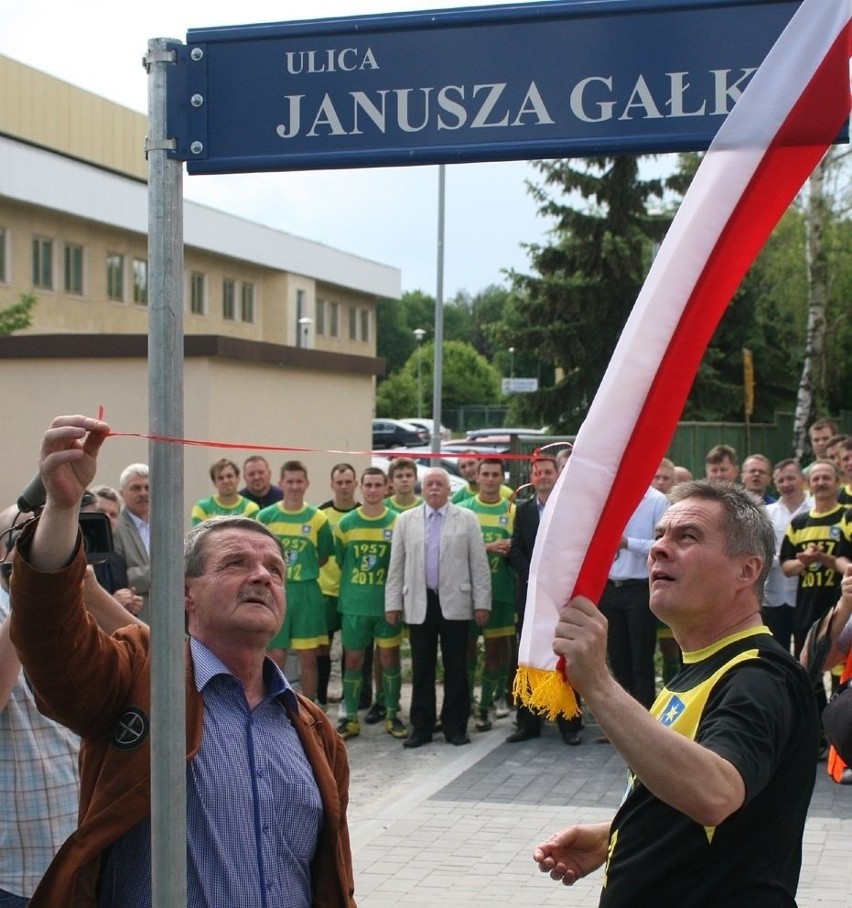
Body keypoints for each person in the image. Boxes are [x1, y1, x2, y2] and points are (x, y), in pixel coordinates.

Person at [8, 415, 355, 908]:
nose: (262, 576)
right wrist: (62, 508)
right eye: (236, 563)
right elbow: (49, 643)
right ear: (185, 594)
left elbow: (332, 879)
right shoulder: (139, 680)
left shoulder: (315, 729)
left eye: (274, 569)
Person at [534, 481, 819, 905]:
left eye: (687, 537)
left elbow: (716, 793)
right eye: (660, 534)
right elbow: (702, 801)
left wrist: (597, 682)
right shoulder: (702, 667)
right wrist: (620, 831)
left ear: (747, 570)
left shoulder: (759, 677)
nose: (658, 549)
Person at [385, 467, 491, 748]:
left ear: (449, 490)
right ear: (422, 488)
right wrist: (392, 602)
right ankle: (421, 727)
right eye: (429, 483)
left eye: (439, 484)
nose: (434, 488)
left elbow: (479, 565)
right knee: (422, 667)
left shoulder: (466, 519)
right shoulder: (405, 520)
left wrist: (482, 603)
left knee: (456, 667)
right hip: (419, 602)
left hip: (456, 603)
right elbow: (396, 566)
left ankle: (456, 726)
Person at [507, 456, 582, 745]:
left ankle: (569, 724)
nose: (543, 477)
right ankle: (528, 723)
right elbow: (515, 550)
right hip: (530, 596)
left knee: (564, 655)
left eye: (548, 471)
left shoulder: (570, 510)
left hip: (562, 596)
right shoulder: (523, 510)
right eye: (538, 472)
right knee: (527, 655)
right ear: (532, 476)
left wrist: (554, 581)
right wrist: (535, 578)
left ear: (557, 474)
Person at [335, 467, 407, 741]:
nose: (373, 490)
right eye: (369, 485)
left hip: (387, 606)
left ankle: (392, 714)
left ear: (386, 487)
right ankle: (351, 718)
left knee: (389, 658)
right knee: (353, 660)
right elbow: (343, 561)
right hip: (354, 605)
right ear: (360, 488)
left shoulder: (397, 521)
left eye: (378, 485)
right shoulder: (346, 524)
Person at [257, 460, 334, 701]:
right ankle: (273, 705)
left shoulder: (318, 518)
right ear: (280, 483)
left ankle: (308, 710)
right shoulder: (266, 515)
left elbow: (322, 556)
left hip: (307, 591)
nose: (294, 486)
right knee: (275, 654)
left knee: (308, 656)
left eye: (299, 481)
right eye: (289, 481)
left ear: (307, 484)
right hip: (276, 589)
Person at [598, 485, 668, 709]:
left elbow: (663, 544)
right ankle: (622, 720)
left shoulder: (657, 500)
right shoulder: (608, 495)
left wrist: (627, 543)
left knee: (641, 659)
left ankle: (647, 719)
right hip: (609, 587)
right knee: (617, 658)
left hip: (639, 587)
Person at [459, 458, 516, 731]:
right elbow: (455, 553)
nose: (491, 479)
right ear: (477, 477)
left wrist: (512, 550)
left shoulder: (513, 510)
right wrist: (490, 546)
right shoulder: (463, 509)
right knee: (468, 650)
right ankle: (467, 700)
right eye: (486, 474)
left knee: (496, 651)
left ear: (502, 478)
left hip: (501, 592)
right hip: (468, 594)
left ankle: (486, 706)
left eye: (496, 474)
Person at [780, 459, 852, 656]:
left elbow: (843, 559)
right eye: (816, 478)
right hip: (807, 608)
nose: (821, 482)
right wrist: (805, 561)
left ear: (838, 482)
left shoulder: (847, 516)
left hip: (841, 604)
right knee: (808, 673)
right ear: (808, 484)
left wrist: (822, 557)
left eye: (826, 478)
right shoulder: (799, 523)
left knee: (839, 669)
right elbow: (786, 568)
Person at [317, 463, 361, 709]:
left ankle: (351, 699)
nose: (344, 487)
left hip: (353, 593)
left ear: (356, 484)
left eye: (348, 482)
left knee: (352, 649)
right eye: (339, 482)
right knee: (322, 648)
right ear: (332, 484)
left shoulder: (365, 514)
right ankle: (321, 699)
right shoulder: (320, 514)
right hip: (325, 591)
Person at [762, 459, 811, 652]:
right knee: (777, 652)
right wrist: (786, 559)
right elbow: (762, 550)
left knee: (807, 650)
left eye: (790, 478)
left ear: (803, 479)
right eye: (780, 480)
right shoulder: (767, 513)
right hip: (774, 595)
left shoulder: (816, 509)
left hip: (807, 594)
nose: (786, 484)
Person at [112, 463, 152, 622]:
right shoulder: (115, 527)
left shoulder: (165, 525)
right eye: (136, 488)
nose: (143, 493)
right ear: (122, 493)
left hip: (166, 618)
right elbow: (120, 577)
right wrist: (166, 573)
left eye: (148, 487)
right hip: (134, 618)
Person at [191, 458, 259, 525]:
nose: (226, 481)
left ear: (238, 479)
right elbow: (198, 535)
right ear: (214, 483)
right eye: (220, 478)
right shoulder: (202, 508)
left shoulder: (251, 509)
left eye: (229, 476)